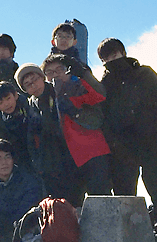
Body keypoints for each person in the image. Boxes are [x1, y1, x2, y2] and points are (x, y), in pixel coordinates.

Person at [97, 37, 157, 242]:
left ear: (123, 52)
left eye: (114, 55)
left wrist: (154, 131)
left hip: (152, 145)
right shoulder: (105, 83)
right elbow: (103, 117)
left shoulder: (145, 74)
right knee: (124, 196)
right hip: (122, 150)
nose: (112, 60)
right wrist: (116, 142)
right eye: (106, 58)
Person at [41, 54, 112, 201]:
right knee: (72, 204)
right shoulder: (45, 97)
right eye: (49, 72)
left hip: (92, 151)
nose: (55, 75)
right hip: (67, 159)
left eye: (59, 69)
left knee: (101, 199)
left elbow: (100, 95)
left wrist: (75, 109)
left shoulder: (79, 84)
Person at [14, 63, 80, 204]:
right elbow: (31, 138)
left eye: (35, 80)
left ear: (42, 77)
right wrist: (38, 164)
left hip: (71, 155)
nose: (33, 85)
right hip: (49, 164)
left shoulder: (59, 92)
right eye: (27, 84)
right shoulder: (30, 106)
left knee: (76, 200)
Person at [0, 81, 35, 171]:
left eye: (8, 98)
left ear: (16, 95)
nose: (6, 104)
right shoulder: (2, 122)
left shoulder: (30, 109)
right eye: (1, 102)